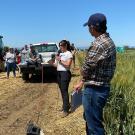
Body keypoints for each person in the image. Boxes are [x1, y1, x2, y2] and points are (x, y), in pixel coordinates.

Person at [74, 13, 116, 135]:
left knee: (94, 127)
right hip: (100, 88)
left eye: (88, 26)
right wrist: (82, 81)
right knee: (91, 120)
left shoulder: (99, 44)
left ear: (92, 27)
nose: (88, 29)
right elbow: (94, 69)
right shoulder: (108, 41)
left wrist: (82, 72)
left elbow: (85, 69)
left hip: (94, 90)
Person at [49, 40, 73, 118]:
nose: (60, 47)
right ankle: (65, 106)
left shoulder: (68, 53)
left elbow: (68, 65)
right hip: (59, 73)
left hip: (65, 73)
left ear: (66, 45)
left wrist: (59, 60)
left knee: (64, 91)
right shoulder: (60, 54)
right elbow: (57, 65)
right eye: (60, 45)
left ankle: (66, 110)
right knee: (62, 91)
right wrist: (51, 63)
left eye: (62, 45)